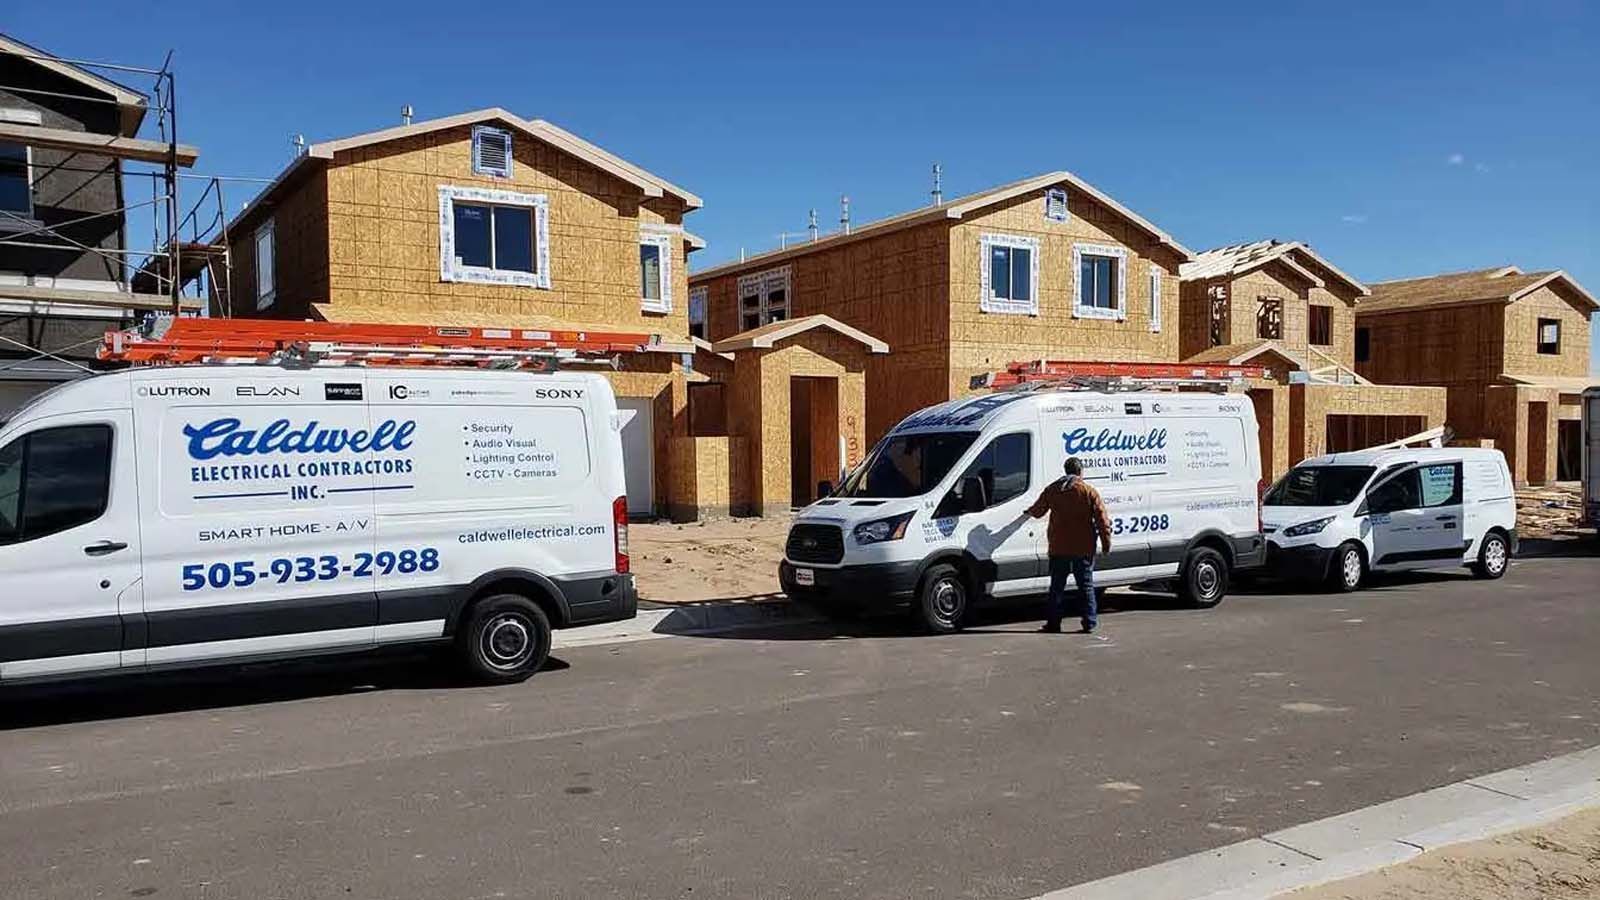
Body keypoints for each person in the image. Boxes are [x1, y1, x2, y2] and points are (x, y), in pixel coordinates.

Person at [1025, 456, 1113, 634]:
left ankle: (1053, 623)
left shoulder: (1052, 490)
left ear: (1065, 470)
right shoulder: (1088, 491)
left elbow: (1038, 511)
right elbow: (1102, 520)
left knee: (1057, 588)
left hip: (1059, 547)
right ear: (1081, 471)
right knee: (1086, 586)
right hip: (1083, 548)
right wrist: (1106, 543)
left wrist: (1027, 512)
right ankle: (1089, 622)